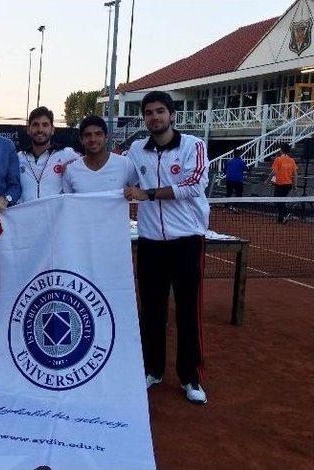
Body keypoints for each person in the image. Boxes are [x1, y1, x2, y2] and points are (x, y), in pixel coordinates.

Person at [124, 91, 210, 405]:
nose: (155, 117)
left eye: (160, 111)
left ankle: (191, 377)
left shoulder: (194, 146)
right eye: (149, 113)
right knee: (151, 310)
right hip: (150, 243)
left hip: (187, 241)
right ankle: (152, 370)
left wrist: (147, 194)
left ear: (172, 115)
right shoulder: (136, 149)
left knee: (188, 310)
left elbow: (195, 184)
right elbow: (121, 179)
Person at [17, 106, 79, 202]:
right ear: (28, 130)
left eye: (45, 125)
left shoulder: (67, 155)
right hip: (26, 216)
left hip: (56, 216)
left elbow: (88, 166)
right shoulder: (18, 158)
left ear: (52, 130)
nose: (40, 129)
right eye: (35, 125)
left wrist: (78, 164)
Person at [62, 115, 137, 193]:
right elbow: (68, 202)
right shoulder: (70, 170)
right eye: (88, 135)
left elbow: (138, 193)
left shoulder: (125, 164)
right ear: (81, 140)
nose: (93, 139)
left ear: (106, 137)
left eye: (98, 134)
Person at [265, 143, 298, 223]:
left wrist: (268, 180)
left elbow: (273, 172)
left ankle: (284, 214)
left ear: (281, 150)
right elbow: (295, 174)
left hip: (280, 184)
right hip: (288, 184)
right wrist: (295, 185)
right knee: (280, 200)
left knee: (278, 201)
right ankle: (280, 218)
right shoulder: (292, 160)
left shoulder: (278, 159)